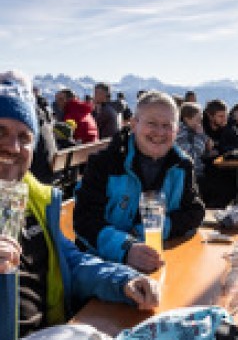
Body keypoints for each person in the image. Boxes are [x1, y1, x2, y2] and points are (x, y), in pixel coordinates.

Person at [0, 70, 161, 338]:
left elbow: (69, 262)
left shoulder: (34, 198)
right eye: (1, 132)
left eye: (24, 137)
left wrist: (123, 280)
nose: (13, 147)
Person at [74, 91, 205, 273]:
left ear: (176, 131)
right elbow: (84, 221)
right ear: (134, 124)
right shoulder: (105, 163)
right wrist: (127, 248)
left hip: (157, 262)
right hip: (102, 268)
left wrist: (146, 231)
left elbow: (195, 212)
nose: (159, 132)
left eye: (167, 125)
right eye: (151, 123)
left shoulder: (181, 165)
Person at [175, 102, 214, 190]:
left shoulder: (192, 130)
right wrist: (200, 136)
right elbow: (192, 155)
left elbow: (209, 145)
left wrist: (204, 138)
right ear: (186, 119)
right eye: (197, 120)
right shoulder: (181, 133)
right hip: (190, 175)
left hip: (197, 171)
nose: (200, 123)